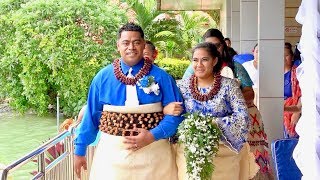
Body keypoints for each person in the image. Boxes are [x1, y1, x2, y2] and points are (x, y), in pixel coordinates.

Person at [74, 22, 184, 180]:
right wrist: (80, 150)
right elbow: (91, 116)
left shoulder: (162, 77)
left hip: (155, 159)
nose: (131, 47)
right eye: (126, 43)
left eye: (136, 42)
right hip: (111, 161)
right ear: (118, 45)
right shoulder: (102, 77)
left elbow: (177, 115)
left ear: (144, 44)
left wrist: (152, 135)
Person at [182, 29, 274, 180]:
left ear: (223, 47)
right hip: (195, 146)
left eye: (217, 46)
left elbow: (248, 96)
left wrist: (226, 102)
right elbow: (179, 108)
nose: (199, 64)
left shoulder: (234, 68)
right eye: (196, 60)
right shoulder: (188, 80)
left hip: (230, 141)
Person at [166, 42, 259, 179]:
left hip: (224, 154)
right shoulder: (182, 86)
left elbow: (242, 118)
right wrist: (167, 109)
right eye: (195, 60)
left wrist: (211, 124)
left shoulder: (229, 86)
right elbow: (174, 114)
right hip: (189, 153)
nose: (199, 65)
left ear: (214, 61)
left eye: (205, 60)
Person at [283, 45, 301, 138]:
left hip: (293, 112)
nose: (283, 58)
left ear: (292, 57)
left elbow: (303, 95)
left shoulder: (298, 73)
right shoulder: (273, 74)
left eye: (286, 55)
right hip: (278, 113)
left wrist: (296, 113)